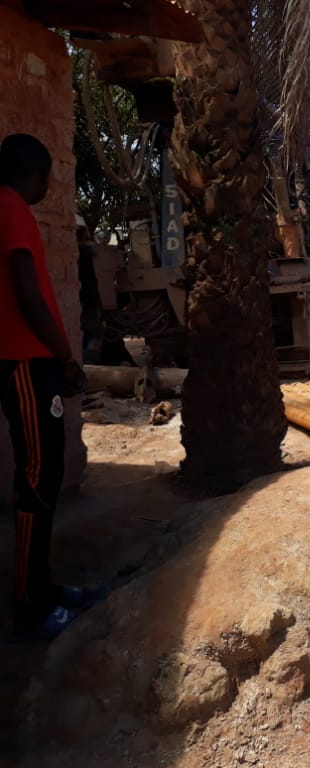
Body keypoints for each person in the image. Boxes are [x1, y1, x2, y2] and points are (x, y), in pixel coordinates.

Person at [0, 133, 89, 640]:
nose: (47, 189)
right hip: (27, 363)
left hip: (30, 362)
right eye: (46, 180)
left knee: (45, 473)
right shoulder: (12, 208)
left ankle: (45, 586)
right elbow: (29, 295)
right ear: (31, 174)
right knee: (37, 477)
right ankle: (30, 604)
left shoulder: (11, 208)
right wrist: (64, 357)